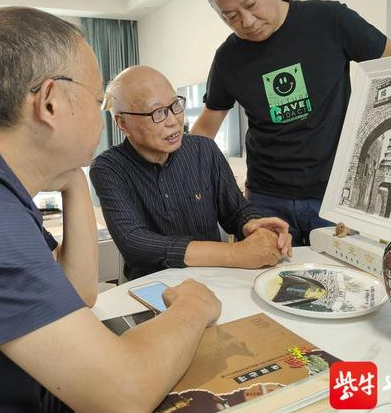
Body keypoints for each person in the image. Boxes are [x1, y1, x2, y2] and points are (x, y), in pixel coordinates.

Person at [0, 7, 222, 413]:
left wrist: (74, 176)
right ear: (51, 103)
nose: (103, 121)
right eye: (97, 101)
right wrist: (192, 306)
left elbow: (77, 292)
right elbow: (122, 397)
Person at [191, 0, 391, 246]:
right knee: (269, 273)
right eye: (231, 16)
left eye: (252, 4)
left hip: (334, 195)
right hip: (265, 198)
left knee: (340, 272)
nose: (247, 21)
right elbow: (205, 128)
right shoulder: (228, 58)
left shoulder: (330, 20)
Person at [90, 65, 292, 281]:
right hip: (153, 286)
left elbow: (236, 211)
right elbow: (135, 242)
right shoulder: (108, 168)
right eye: (157, 112)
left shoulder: (204, 150)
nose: (174, 121)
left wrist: (256, 226)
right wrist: (235, 253)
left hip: (216, 279)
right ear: (123, 123)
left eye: (175, 105)